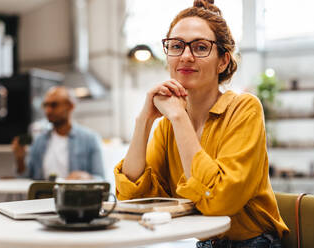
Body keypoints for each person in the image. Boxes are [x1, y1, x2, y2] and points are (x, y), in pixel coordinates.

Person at [114, 0, 288, 247]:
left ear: (223, 61)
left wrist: (178, 117)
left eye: (200, 47)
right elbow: (135, 199)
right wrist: (144, 119)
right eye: (176, 46)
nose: (185, 56)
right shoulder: (166, 125)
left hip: (256, 243)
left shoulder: (244, 108)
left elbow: (219, 202)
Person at [12, 86, 104, 180]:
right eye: (45, 105)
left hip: (74, 194)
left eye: (54, 105)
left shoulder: (90, 139)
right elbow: (25, 178)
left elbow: (101, 179)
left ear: (70, 106)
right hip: (43, 194)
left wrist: (86, 177)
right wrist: (20, 160)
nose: (48, 110)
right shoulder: (38, 140)